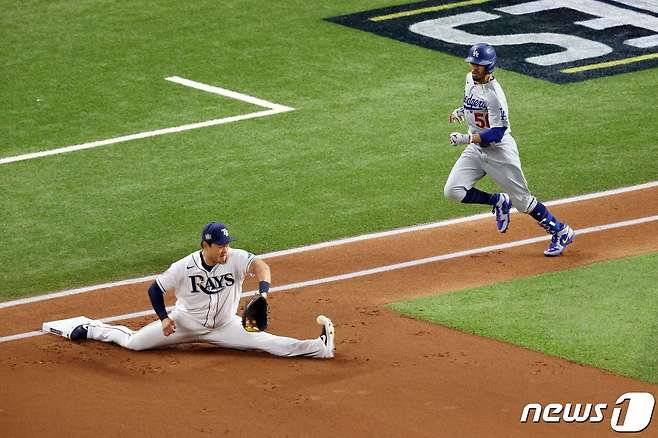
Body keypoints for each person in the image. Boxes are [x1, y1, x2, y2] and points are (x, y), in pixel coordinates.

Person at [69, 221, 335, 358]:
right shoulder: (183, 267)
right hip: (184, 324)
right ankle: (94, 329)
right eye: (219, 245)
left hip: (225, 326)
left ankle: (320, 347)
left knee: (268, 343)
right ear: (205, 245)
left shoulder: (236, 258)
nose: (225, 249)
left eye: (227, 243)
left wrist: (263, 293)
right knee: (134, 343)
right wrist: (164, 319)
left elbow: (262, 267)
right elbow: (155, 289)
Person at [444, 43, 575, 257]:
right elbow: (473, 104)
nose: (474, 68)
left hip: (499, 151)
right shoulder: (469, 80)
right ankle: (498, 200)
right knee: (453, 191)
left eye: (479, 65)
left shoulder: (495, 95)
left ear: (489, 67)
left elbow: (497, 132)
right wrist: (461, 111)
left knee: (524, 202)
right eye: (473, 63)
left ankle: (561, 231)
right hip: (476, 150)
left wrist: (466, 138)